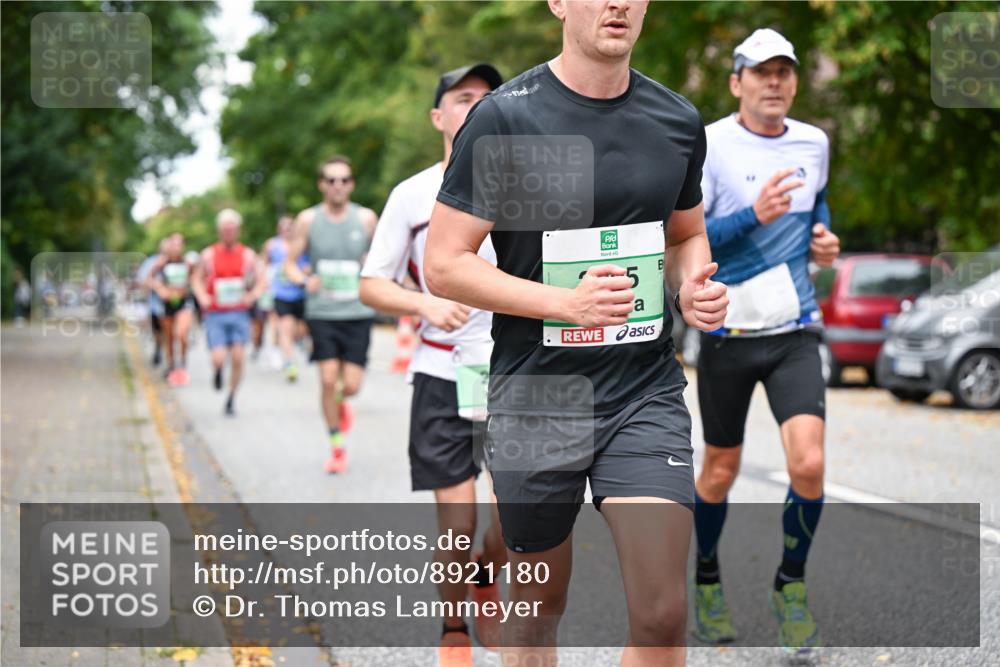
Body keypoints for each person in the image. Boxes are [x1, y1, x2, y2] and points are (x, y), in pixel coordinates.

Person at [425, 2, 729, 665]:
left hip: (642, 390)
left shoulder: (676, 122)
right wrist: (565, 303)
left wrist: (693, 285)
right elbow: (443, 264)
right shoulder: (506, 117)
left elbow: (683, 233)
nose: (617, 3)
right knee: (537, 612)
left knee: (662, 611)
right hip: (539, 397)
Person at [690, 28, 841, 654]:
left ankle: (791, 586)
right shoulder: (711, 144)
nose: (773, 82)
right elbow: (691, 239)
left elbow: (818, 212)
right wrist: (753, 213)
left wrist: (826, 240)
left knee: (808, 462)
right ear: (737, 83)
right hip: (728, 332)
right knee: (719, 469)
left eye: (784, 72)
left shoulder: (815, 143)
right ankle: (705, 579)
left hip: (793, 330)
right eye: (760, 72)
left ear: (795, 82)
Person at [360, 63, 508, 667]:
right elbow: (372, 284)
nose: (476, 107)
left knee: (512, 516)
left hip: (513, 370)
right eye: (462, 98)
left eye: (489, 99)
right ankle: (454, 627)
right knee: (457, 514)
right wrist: (424, 303)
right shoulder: (412, 195)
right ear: (438, 117)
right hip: (442, 368)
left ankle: (485, 575)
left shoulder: (532, 189)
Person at [285, 156, 377, 473]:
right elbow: (289, 264)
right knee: (326, 379)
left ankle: (340, 402)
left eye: (344, 180)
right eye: (331, 180)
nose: (338, 186)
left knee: (351, 386)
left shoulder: (365, 219)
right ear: (322, 184)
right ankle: (337, 446)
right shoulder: (308, 220)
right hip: (322, 312)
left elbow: (382, 258)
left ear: (351, 184)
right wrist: (303, 280)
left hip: (357, 312)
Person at [191, 209, 268, 416]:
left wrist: (251, 297)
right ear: (219, 230)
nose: (229, 233)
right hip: (215, 314)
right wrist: (202, 297)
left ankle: (231, 398)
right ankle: (217, 371)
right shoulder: (208, 254)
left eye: (232, 229)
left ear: (238, 230)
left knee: (238, 358)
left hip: (239, 313)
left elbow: (262, 281)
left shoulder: (248, 255)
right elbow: (196, 279)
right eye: (225, 229)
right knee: (218, 357)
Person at [264, 215, 309, 381]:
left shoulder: (303, 244)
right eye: (284, 226)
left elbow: (310, 264)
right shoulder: (272, 245)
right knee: (285, 328)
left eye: (291, 226)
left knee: (300, 331)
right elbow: (264, 264)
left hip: (301, 293)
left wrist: (307, 271)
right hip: (281, 294)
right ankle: (289, 362)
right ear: (279, 229)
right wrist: (265, 283)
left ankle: (294, 346)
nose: (287, 229)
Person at [147, 233, 196, 386]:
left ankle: (182, 363)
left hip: (183, 302)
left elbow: (195, 279)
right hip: (167, 303)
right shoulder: (161, 263)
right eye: (173, 244)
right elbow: (149, 278)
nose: (176, 247)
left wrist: (185, 288)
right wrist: (161, 289)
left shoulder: (187, 263)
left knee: (181, 333)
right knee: (169, 337)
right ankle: (171, 365)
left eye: (179, 244)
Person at [136, 239, 169, 366]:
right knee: (158, 332)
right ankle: (158, 347)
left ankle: (169, 362)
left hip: (171, 304)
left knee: (169, 333)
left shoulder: (174, 262)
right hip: (155, 305)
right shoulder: (151, 262)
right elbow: (143, 282)